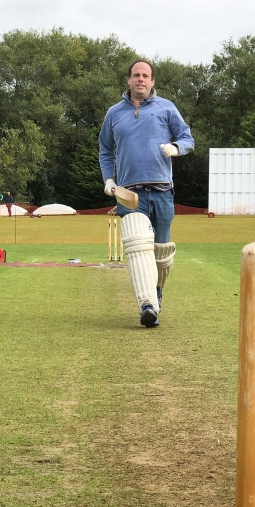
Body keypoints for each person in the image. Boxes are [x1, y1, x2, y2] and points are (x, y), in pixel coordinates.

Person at [99, 59, 194, 328]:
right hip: (129, 194)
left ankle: (157, 290)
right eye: (136, 75)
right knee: (138, 247)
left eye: (146, 76)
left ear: (152, 82)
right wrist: (108, 179)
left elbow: (188, 138)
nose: (141, 79)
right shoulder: (114, 113)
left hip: (163, 192)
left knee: (160, 254)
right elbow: (105, 150)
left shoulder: (166, 107)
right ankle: (147, 305)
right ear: (128, 80)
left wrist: (177, 147)